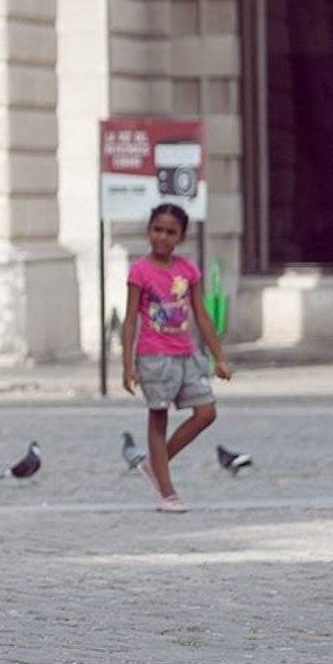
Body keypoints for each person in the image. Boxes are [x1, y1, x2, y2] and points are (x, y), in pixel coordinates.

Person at [121, 203, 232, 513]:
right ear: (148, 231)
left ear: (181, 237)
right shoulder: (140, 272)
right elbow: (130, 320)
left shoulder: (188, 271)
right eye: (157, 229)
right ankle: (167, 492)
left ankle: (156, 465)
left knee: (206, 412)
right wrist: (127, 365)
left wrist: (219, 357)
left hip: (186, 356)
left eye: (171, 232)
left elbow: (202, 316)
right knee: (158, 418)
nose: (163, 237)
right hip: (153, 357)